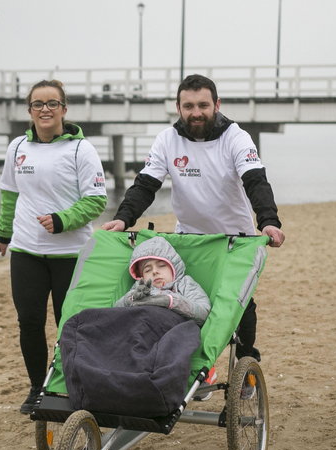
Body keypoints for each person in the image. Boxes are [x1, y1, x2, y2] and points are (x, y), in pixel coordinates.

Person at [102, 74, 285, 362]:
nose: (196, 112)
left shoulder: (236, 137)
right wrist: (123, 219)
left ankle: (246, 358)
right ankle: (196, 365)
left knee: (240, 307)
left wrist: (269, 221)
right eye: (189, 106)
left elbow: (255, 181)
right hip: (190, 237)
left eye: (203, 105)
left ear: (217, 104)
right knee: (189, 304)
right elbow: (145, 185)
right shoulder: (167, 139)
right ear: (178, 107)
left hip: (236, 240)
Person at [0, 79, 108, 415]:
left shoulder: (80, 150)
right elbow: (10, 196)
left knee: (67, 325)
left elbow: (96, 201)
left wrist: (62, 219)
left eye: (52, 103)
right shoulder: (17, 148)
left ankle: (69, 386)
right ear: (29, 110)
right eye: (38, 104)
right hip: (26, 252)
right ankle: (35, 389)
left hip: (70, 254)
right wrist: (3, 237)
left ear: (63, 109)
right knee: (28, 321)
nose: (45, 109)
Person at [114, 236, 211, 326]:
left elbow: (203, 312)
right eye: (148, 270)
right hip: (140, 326)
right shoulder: (139, 288)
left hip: (173, 329)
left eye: (162, 266)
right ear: (142, 276)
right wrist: (129, 299)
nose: (155, 271)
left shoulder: (184, 284)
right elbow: (116, 312)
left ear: (173, 267)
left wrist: (170, 301)